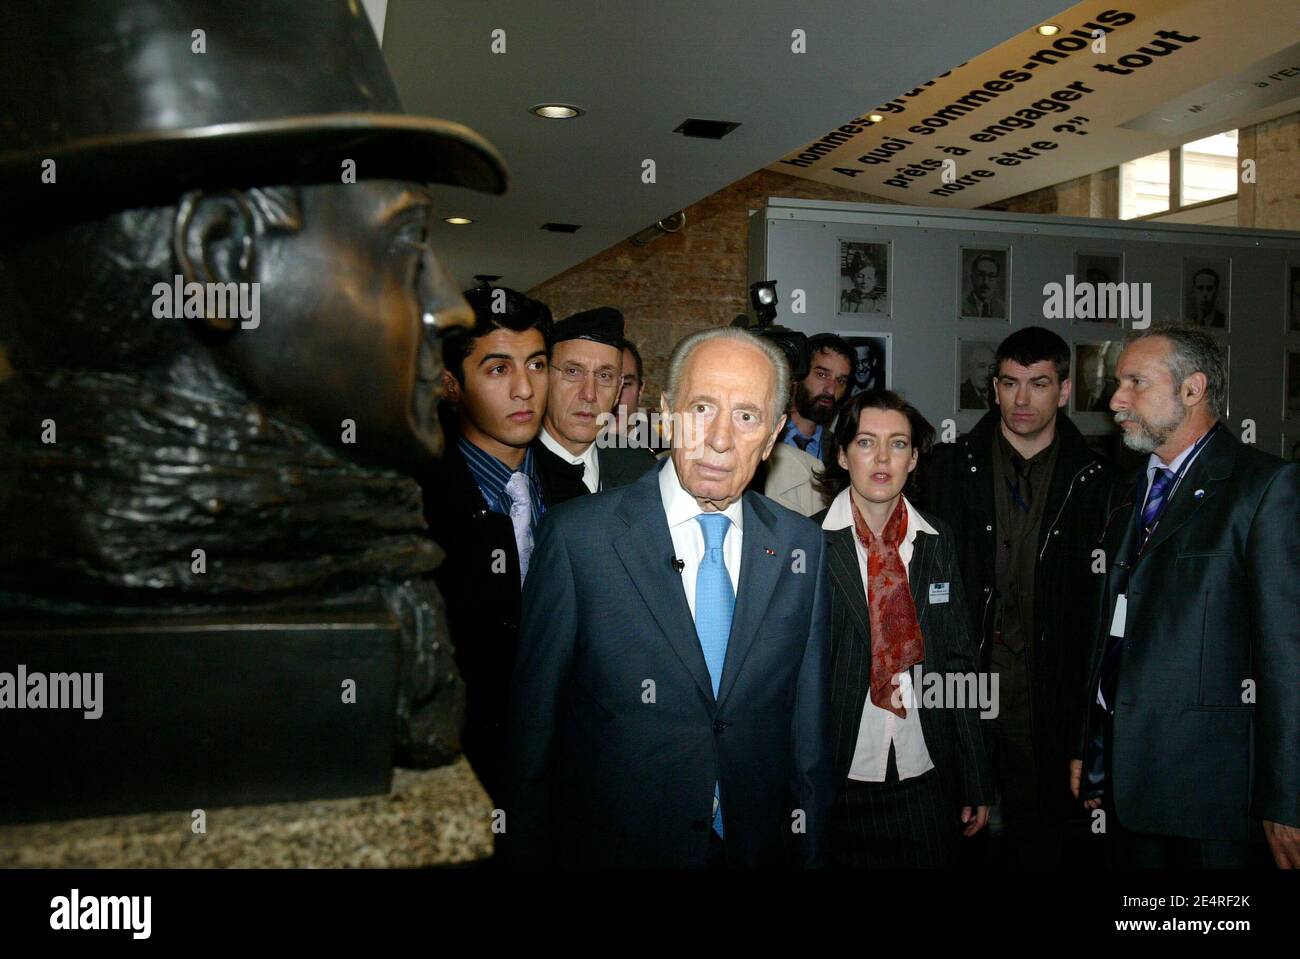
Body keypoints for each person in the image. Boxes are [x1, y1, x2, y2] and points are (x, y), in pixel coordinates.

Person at [503, 327, 832, 868]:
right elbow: (531, 738)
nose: (720, 439)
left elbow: (809, 738)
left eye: (747, 417)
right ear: (666, 412)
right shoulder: (580, 539)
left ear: (773, 436)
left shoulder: (802, 548)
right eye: (702, 408)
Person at [1075, 324, 1300, 869]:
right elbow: (1113, 632)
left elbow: (1287, 659)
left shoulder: (1264, 488)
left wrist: (1287, 798)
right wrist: (1092, 747)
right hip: (1129, 783)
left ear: (1193, 389)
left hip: (1214, 796)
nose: (1116, 399)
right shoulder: (1127, 489)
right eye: (1117, 382)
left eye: (1135, 382)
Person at [920, 327, 1118, 868]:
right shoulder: (947, 470)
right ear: (994, 389)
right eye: (1010, 383)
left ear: (1065, 390)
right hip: (963, 682)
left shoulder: (1102, 481)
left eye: (1038, 383)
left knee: (1046, 841)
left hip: (1052, 692)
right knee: (957, 835)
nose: (1023, 399)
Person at [816, 390, 994, 867]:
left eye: (897, 444)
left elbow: (959, 660)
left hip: (924, 777)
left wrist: (976, 778)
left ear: (914, 458)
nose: (881, 458)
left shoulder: (937, 539)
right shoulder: (806, 543)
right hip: (836, 781)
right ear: (841, 453)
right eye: (866, 442)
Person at [416, 285, 566, 800]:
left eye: (538, 365)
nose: (525, 389)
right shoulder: (413, 505)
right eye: (499, 369)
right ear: (450, 384)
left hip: (564, 779)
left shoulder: (576, 494)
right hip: (456, 779)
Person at [534, 307, 656, 502]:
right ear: (544, 379)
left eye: (605, 376)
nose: (589, 394)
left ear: (617, 392)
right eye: (573, 372)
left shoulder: (641, 471)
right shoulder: (515, 471)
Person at [782, 333, 854, 459]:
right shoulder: (764, 437)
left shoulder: (839, 452)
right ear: (797, 374)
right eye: (822, 375)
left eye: (841, 380)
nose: (831, 390)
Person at [963, 253, 1006, 319]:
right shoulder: (961, 308)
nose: (985, 282)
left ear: (997, 280)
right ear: (972, 278)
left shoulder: (1003, 310)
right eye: (980, 275)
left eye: (991, 276)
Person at [960, 345, 995, 409]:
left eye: (992, 367)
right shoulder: (960, 395)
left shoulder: (999, 394)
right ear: (970, 368)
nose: (987, 374)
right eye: (982, 366)